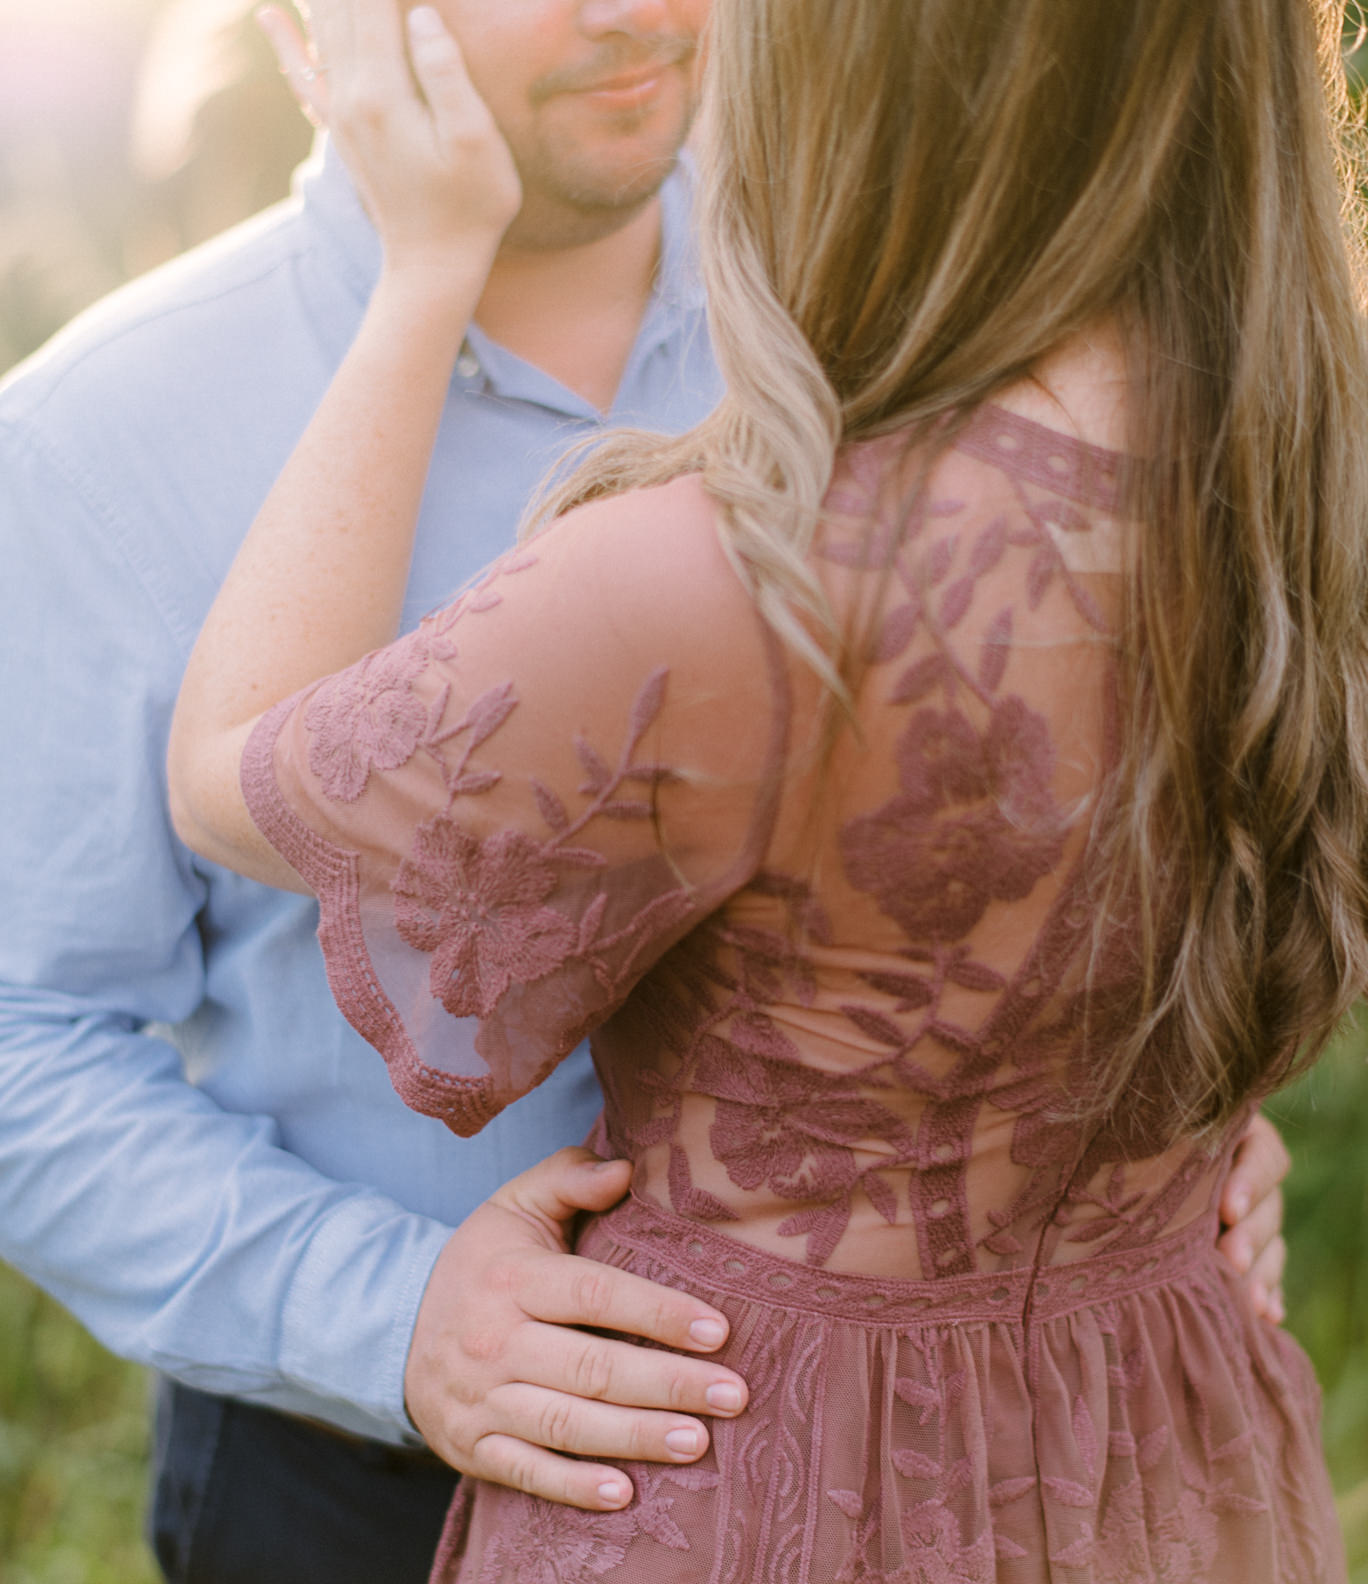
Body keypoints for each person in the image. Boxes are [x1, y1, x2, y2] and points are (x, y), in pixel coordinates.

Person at [0, 0, 1291, 1578]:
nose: (632, 10)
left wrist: (1131, 1126)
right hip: (347, 1480)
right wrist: (389, 1315)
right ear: (309, 24)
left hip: (946, 1465)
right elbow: (21, 1038)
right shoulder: (92, 442)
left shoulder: (928, 305)